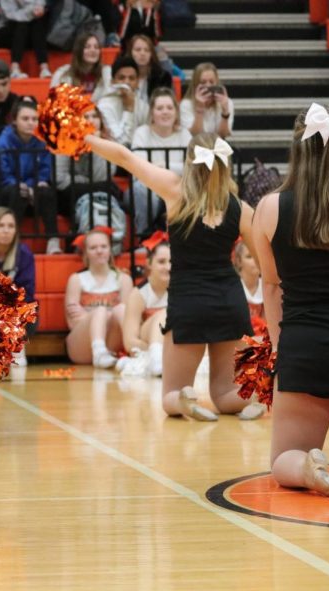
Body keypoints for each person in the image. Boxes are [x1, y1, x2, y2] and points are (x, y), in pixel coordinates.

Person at [84, 130, 257, 420]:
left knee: (169, 397)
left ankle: (184, 399)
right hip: (230, 302)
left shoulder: (176, 191)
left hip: (189, 302)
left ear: (190, 161)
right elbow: (265, 262)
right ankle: (251, 400)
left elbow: (126, 158)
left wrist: (87, 139)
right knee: (226, 394)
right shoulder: (241, 207)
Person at [252, 104, 329, 497]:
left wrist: (282, 349)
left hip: (305, 344)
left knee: (285, 457)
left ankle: (308, 469)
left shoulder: (269, 208)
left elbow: (270, 285)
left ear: (298, 151)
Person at [0, 98, 60, 254]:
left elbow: (45, 171)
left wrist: (35, 185)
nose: (30, 123)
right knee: (17, 191)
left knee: (47, 191)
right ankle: (14, 242)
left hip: (31, 192)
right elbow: (2, 176)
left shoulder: (43, 142)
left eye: (34, 119)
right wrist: (22, 186)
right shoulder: (1, 143)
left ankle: (53, 242)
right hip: (2, 193)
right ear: (15, 121)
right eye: (25, 119)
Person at [64, 228, 132, 367]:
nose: (99, 251)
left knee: (121, 309)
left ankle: (136, 353)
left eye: (103, 246)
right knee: (100, 311)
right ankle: (99, 351)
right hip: (82, 344)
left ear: (110, 249)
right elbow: (72, 322)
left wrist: (90, 316)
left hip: (112, 340)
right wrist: (100, 316)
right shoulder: (77, 279)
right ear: (85, 253)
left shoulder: (124, 279)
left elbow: (128, 318)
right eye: (93, 248)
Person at [130, 87, 191, 234]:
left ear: (176, 112)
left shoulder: (184, 134)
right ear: (152, 113)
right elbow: (138, 171)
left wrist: (163, 165)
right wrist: (175, 170)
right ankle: (144, 236)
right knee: (140, 189)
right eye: (159, 108)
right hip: (148, 189)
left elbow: (192, 169)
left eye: (170, 108)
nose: (165, 112)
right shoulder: (141, 133)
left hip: (177, 189)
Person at [0, 206, 35, 366]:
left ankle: (15, 348)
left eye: (10, 226)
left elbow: (29, 293)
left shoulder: (24, 254)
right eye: (1, 225)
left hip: (15, 312)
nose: (6, 231)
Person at [120, 237, 168, 375]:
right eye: (161, 262)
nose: (168, 267)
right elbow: (129, 342)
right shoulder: (138, 294)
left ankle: (158, 357)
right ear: (148, 263)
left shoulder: (181, 290)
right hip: (147, 342)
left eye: (171, 261)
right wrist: (154, 350)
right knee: (165, 313)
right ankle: (156, 357)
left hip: (172, 345)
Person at [96, 56, 149, 146]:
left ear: (137, 83)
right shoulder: (104, 106)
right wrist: (128, 109)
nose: (127, 82)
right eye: (121, 78)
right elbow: (122, 142)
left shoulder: (144, 107)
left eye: (131, 78)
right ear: (112, 82)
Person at [0, 0, 49, 79]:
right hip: (6, 29)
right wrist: (31, 11)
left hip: (29, 31)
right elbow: (13, 16)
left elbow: (41, 4)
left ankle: (44, 68)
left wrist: (35, 11)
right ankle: (15, 68)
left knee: (37, 24)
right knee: (22, 24)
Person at [50, 32, 111, 101]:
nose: (93, 50)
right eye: (87, 47)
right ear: (79, 51)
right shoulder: (63, 74)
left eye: (96, 47)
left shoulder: (106, 74)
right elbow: (56, 101)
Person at [180, 62, 233, 138]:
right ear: (195, 84)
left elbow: (223, 135)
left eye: (211, 82)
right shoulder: (186, 105)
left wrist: (225, 113)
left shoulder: (227, 103)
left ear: (217, 82)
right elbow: (194, 135)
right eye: (203, 82)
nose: (208, 86)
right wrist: (199, 110)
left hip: (218, 147)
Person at [126, 34, 170, 104]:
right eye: (138, 50)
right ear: (130, 52)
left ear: (151, 54)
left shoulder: (162, 77)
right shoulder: (123, 76)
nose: (142, 53)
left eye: (147, 50)